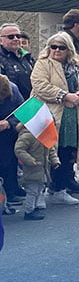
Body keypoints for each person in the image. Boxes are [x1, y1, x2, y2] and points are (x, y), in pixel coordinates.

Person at [30, 32, 79, 204]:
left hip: (74, 116)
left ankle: (61, 188)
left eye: (61, 47)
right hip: (50, 115)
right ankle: (43, 191)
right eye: (53, 47)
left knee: (69, 152)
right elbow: (39, 85)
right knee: (49, 154)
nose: (57, 50)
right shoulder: (43, 63)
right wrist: (65, 96)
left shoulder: (78, 65)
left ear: (69, 49)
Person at [14, 122, 60, 220]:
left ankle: (34, 207)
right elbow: (19, 150)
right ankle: (29, 210)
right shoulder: (27, 136)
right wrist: (30, 160)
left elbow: (50, 149)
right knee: (32, 191)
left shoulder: (42, 135)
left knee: (39, 189)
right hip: (32, 169)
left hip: (42, 169)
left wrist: (55, 161)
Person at [0, 73, 25, 204]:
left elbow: (22, 112)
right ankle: (7, 192)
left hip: (10, 130)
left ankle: (13, 188)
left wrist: (9, 123)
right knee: (3, 163)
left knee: (11, 160)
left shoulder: (13, 90)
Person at [0, 22, 35, 100]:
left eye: (18, 36)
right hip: (8, 105)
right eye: (11, 37)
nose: (15, 39)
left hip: (29, 104)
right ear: (1, 41)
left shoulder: (28, 58)